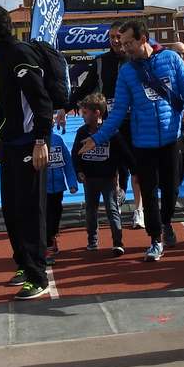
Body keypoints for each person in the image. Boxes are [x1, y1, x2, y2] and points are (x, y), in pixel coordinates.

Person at [78, 18, 184, 261]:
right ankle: (155, 239)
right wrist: (98, 137)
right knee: (148, 190)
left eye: (128, 43)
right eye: (121, 43)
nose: (123, 48)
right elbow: (116, 113)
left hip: (171, 139)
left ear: (143, 39)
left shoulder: (171, 59)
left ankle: (166, 222)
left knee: (172, 188)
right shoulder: (127, 72)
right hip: (143, 144)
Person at [0, 5, 54, 300]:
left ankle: (38, 277)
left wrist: (41, 140)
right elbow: (3, 88)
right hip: (11, 145)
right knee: (12, 210)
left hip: (30, 144)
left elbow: (41, 100)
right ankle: (24, 264)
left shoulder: (19, 55)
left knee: (31, 211)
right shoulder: (5, 57)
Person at [70, 27, 138, 223]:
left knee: (132, 162)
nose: (116, 41)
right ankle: (119, 193)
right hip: (110, 122)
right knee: (113, 159)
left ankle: (135, 204)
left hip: (134, 121)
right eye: (112, 37)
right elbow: (84, 88)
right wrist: (64, 108)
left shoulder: (135, 60)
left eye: (119, 37)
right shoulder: (100, 62)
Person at [74, 93, 129, 254]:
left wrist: (123, 184)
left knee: (112, 209)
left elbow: (124, 158)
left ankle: (118, 242)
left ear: (97, 113)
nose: (82, 116)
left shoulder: (112, 133)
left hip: (108, 180)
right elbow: (74, 154)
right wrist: (79, 171)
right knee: (91, 210)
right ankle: (92, 239)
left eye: (85, 113)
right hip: (89, 180)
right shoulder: (82, 133)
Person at [44, 124, 80, 264]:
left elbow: (67, 162)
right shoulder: (36, 142)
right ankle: (47, 241)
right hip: (43, 187)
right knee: (46, 214)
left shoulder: (58, 140)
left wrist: (72, 183)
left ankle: (52, 235)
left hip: (58, 186)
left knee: (57, 211)